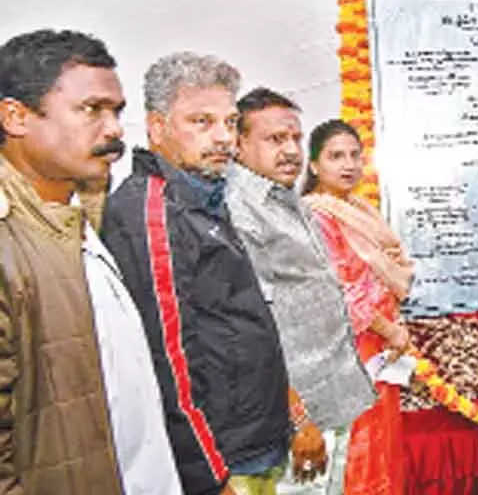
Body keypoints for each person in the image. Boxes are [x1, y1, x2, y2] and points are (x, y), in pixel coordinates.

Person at [0, 30, 183, 494]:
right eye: (91, 110)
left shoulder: (76, 219)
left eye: (117, 112)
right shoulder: (9, 241)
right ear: (16, 117)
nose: (115, 129)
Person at [102, 52, 292, 495]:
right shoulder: (150, 211)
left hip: (251, 438)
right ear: (156, 127)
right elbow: (166, 360)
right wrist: (209, 475)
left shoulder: (204, 195)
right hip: (219, 458)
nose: (223, 137)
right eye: (202, 122)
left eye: (228, 122)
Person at [225, 88, 378, 488]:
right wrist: (298, 420)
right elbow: (252, 330)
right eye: (275, 139)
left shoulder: (286, 199)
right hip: (296, 418)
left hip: (330, 399)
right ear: (238, 145)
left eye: (295, 138)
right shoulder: (240, 211)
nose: (291, 150)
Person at [303, 120, 413, 495]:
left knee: (382, 446)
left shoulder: (358, 210)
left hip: (380, 349)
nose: (348, 164)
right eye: (336, 156)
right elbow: (339, 292)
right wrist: (390, 330)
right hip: (349, 350)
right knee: (357, 452)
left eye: (354, 155)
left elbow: (393, 270)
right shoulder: (315, 215)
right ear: (314, 165)